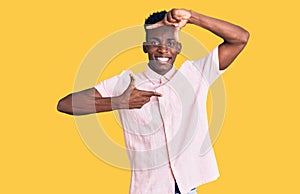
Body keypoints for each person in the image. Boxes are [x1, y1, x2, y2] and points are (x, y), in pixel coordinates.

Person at [57, 8, 249, 194]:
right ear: (145, 47)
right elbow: (65, 104)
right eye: (155, 42)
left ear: (179, 48)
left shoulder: (194, 75)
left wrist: (191, 17)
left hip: (187, 188)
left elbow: (240, 38)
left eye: (170, 43)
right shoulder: (125, 82)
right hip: (147, 189)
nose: (163, 49)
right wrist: (119, 102)